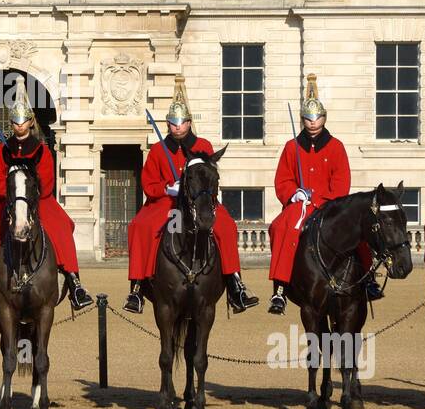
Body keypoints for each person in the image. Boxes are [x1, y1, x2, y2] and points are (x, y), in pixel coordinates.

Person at [124, 77, 258, 315]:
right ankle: (137, 287)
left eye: (182, 123)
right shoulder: (157, 150)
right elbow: (149, 183)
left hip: (200, 201)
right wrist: (167, 188)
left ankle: (235, 283)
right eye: (173, 123)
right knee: (141, 226)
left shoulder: (203, 145)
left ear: (189, 123)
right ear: (168, 124)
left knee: (226, 227)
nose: (177, 127)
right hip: (167, 203)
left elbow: (210, 175)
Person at [0, 79, 94, 311]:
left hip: (40, 201)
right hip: (8, 201)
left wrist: (30, 191)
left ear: (30, 122)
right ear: (11, 123)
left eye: (23, 122)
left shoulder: (42, 150)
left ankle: (74, 280)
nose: (19, 126)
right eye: (15, 122)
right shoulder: (3, 150)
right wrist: (9, 193)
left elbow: (48, 182)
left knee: (61, 226)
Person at [267, 75, 382, 314]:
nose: (312, 123)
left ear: (324, 118)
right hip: (299, 206)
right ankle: (280, 288)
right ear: (303, 120)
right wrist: (293, 194)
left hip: (330, 205)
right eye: (308, 119)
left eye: (317, 118)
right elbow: (282, 179)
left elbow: (341, 182)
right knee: (280, 226)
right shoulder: (292, 147)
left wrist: (320, 200)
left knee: (356, 229)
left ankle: (369, 278)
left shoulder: (336, 147)